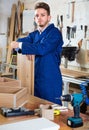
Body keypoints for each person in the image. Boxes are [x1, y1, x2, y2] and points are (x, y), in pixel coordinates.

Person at [11, 2, 64, 105]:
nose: (39, 18)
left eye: (43, 15)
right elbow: (17, 42)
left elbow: (42, 49)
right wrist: (24, 49)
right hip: (35, 80)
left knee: (52, 111)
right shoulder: (34, 35)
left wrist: (23, 47)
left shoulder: (54, 33)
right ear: (34, 19)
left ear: (49, 17)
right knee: (36, 110)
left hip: (50, 81)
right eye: (37, 15)